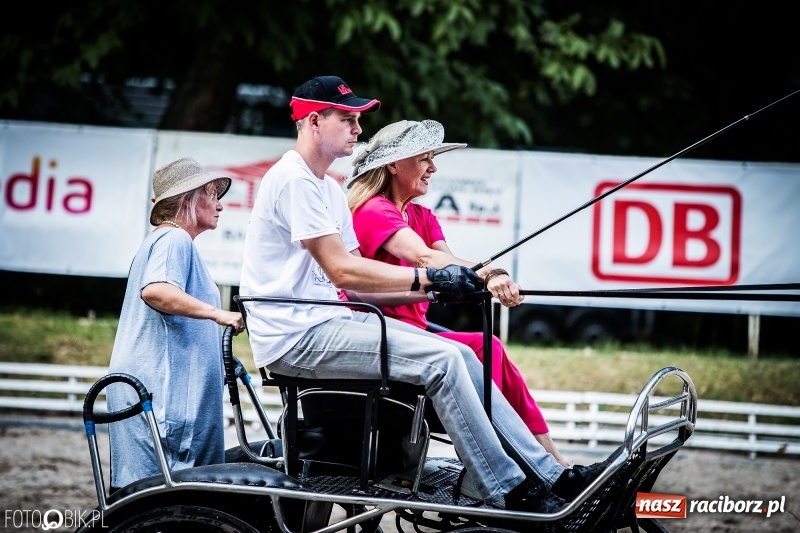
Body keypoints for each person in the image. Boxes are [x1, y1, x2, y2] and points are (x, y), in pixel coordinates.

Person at [239, 75, 611, 512]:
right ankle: (506, 488)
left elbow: (360, 283)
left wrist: (443, 285)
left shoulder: (325, 187)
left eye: (359, 120)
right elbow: (343, 270)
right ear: (314, 121)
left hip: (327, 323)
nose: (358, 129)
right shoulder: (295, 180)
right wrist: (430, 281)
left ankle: (552, 475)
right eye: (348, 118)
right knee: (444, 358)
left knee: (469, 354)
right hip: (295, 338)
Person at [343, 119, 569, 467]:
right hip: (376, 332)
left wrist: (476, 280)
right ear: (393, 165)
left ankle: (549, 460)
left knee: (489, 347)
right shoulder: (374, 209)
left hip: (412, 333)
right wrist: (491, 273)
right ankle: (526, 461)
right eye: (424, 159)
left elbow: (447, 264)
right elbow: (427, 259)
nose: (433, 167)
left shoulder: (422, 215)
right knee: (484, 348)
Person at [107, 157, 245, 490]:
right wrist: (218, 314)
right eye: (212, 195)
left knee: (152, 497)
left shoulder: (163, 241)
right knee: (172, 497)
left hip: (156, 391)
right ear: (189, 198)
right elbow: (157, 291)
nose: (220, 205)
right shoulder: (174, 240)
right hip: (165, 398)